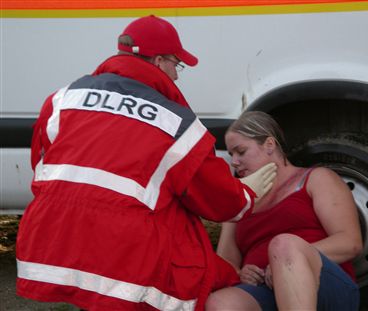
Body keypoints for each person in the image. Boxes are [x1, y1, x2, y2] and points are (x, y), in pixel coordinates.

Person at [15, 16, 277, 311]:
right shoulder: (174, 122)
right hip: (125, 253)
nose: (177, 77)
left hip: (54, 240)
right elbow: (219, 202)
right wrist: (245, 193)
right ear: (158, 61)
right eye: (176, 66)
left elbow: (45, 167)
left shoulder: (62, 99)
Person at [206, 111, 363, 311]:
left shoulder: (316, 179)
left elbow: (350, 242)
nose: (234, 162)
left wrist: (285, 261)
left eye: (241, 151)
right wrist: (240, 273)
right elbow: (226, 261)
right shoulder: (239, 201)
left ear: (269, 145)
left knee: (283, 245)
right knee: (219, 303)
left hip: (323, 285)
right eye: (231, 155)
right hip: (263, 289)